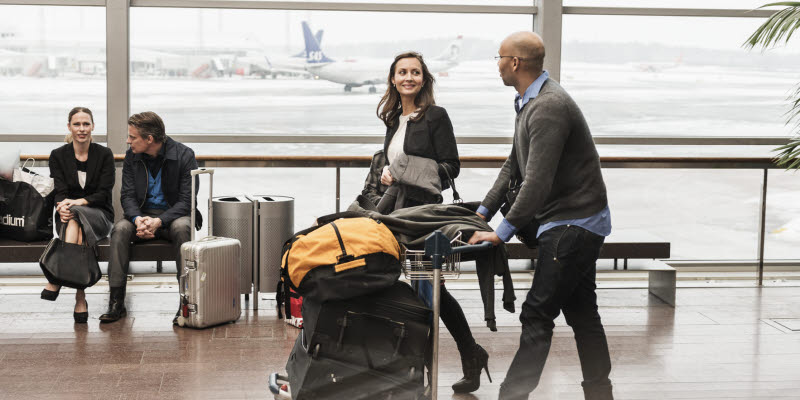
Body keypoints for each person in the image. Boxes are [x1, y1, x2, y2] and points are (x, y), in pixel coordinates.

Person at [468, 31, 614, 400]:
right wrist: (482, 213)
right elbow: (513, 165)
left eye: (499, 57)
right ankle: (600, 393)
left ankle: (512, 395)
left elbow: (536, 182)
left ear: (515, 63)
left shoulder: (549, 106)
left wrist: (500, 233)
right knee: (583, 314)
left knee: (537, 314)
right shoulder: (528, 101)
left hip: (572, 224)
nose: (497, 63)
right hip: (576, 220)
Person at [367, 51, 490, 394]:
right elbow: (391, 167)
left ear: (424, 78)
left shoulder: (436, 116)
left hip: (426, 215)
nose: (409, 77)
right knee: (420, 289)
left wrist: (409, 171)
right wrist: (388, 177)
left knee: (434, 291)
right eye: (402, 72)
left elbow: (451, 166)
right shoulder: (393, 120)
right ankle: (455, 357)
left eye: (415, 72)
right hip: (396, 213)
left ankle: (438, 362)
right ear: (393, 79)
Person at [100, 111, 200, 324]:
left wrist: (158, 221)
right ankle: (116, 302)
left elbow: (187, 201)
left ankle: (186, 301)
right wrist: (137, 219)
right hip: (141, 217)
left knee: (183, 228)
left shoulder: (184, 155)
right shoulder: (132, 156)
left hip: (173, 216)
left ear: (150, 139)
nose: (128, 141)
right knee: (119, 229)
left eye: (132, 137)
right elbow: (126, 195)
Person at [42, 107, 115, 323]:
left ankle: (56, 277)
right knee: (76, 224)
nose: (81, 129)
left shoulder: (104, 154)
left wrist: (77, 203)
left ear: (93, 126)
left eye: (86, 124)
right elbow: (59, 191)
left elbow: (103, 193)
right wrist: (61, 207)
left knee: (76, 216)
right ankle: (80, 297)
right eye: (77, 124)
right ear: (69, 127)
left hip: (99, 214)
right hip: (68, 215)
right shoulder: (58, 155)